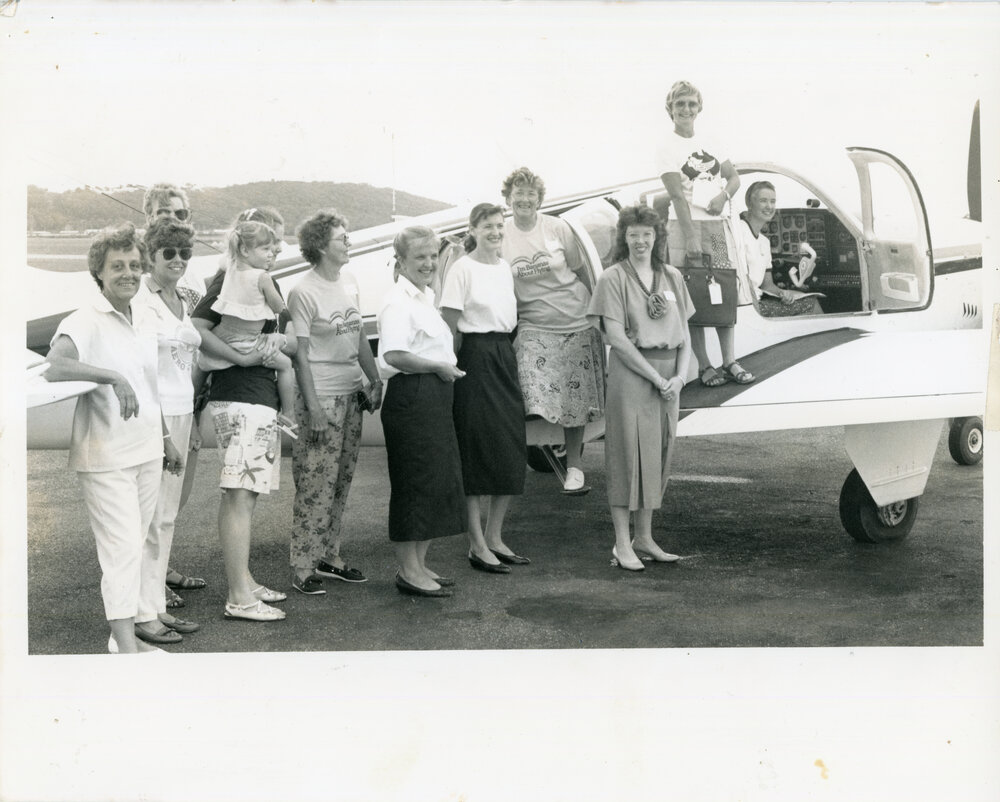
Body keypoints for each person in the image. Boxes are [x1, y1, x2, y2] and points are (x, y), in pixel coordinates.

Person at [44, 223, 184, 652]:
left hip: (144, 449)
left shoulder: (142, 317)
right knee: (121, 549)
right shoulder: (85, 319)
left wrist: (165, 438)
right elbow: (56, 365)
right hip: (105, 455)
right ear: (99, 273)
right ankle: (127, 647)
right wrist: (110, 376)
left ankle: (121, 638)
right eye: (117, 266)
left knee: (137, 544)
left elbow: (150, 385)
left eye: (134, 265)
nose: (128, 272)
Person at [191, 230, 298, 621]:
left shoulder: (240, 278)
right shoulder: (229, 278)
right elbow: (197, 331)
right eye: (269, 243)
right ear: (244, 248)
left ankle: (245, 581)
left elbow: (287, 339)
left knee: (244, 496)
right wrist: (247, 358)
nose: (278, 249)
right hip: (242, 400)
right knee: (238, 496)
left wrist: (276, 344)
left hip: (255, 401)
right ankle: (239, 597)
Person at [587, 205, 693, 571]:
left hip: (668, 380)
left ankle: (644, 537)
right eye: (633, 234)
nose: (640, 240)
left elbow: (686, 337)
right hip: (634, 375)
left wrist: (678, 379)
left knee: (657, 455)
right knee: (626, 456)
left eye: (647, 233)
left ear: (657, 237)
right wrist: (657, 378)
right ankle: (621, 543)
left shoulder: (673, 277)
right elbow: (616, 338)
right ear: (623, 238)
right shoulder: (612, 278)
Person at [286, 209, 382, 594]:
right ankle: (303, 565)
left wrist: (374, 379)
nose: (349, 242)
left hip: (350, 393)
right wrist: (313, 409)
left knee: (340, 479)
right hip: (321, 396)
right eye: (342, 238)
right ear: (320, 246)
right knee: (315, 482)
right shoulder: (302, 291)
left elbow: (358, 337)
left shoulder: (351, 283)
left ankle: (330, 556)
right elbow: (301, 356)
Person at [500, 167, 605, 494]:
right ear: (508, 197)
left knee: (574, 399)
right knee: (530, 391)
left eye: (531, 194)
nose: (525, 199)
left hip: (576, 319)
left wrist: (599, 316)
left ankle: (574, 467)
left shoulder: (558, 228)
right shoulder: (500, 234)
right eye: (518, 193)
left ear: (539, 199)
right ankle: (524, 454)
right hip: (533, 324)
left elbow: (581, 273)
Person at [377, 226, 467, 597]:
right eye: (420, 258)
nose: (429, 263)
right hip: (412, 396)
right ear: (401, 262)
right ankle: (408, 571)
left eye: (433, 256)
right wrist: (438, 368)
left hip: (433, 395)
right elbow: (395, 355)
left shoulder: (426, 298)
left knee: (434, 482)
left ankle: (419, 565)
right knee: (414, 485)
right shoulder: (398, 301)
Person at [440, 202, 527, 573]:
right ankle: (476, 544)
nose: (494, 231)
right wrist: (451, 369)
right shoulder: (462, 268)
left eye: (498, 225)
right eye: (487, 226)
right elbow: (450, 325)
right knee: (476, 450)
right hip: (472, 359)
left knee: (509, 445)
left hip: (503, 355)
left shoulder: (505, 268)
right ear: (472, 229)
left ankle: (495, 537)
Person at [129, 218, 204, 645]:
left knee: (167, 518)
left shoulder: (181, 299)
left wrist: (190, 423)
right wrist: (163, 435)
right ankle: (142, 613)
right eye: (169, 253)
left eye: (184, 253)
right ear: (152, 255)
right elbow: (143, 371)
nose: (178, 260)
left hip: (181, 413)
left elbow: (186, 368)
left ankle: (156, 604)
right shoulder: (142, 299)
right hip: (154, 419)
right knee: (149, 519)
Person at [657, 80, 751, 388]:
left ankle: (730, 360)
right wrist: (691, 237)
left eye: (691, 104)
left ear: (699, 108)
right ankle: (705, 365)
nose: (686, 109)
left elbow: (734, 177)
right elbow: (677, 196)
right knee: (693, 295)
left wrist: (723, 196)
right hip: (684, 227)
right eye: (680, 104)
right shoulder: (666, 147)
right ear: (670, 109)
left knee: (722, 289)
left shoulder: (712, 139)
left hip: (715, 225)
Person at [143, 182, 206, 606]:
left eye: (181, 214)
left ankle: (161, 570)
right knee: (151, 504)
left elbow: (199, 344)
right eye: (165, 212)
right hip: (156, 410)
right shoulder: (140, 268)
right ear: (148, 215)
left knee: (172, 502)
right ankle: (148, 587)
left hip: (187, 403)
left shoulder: (190, 275)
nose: (173, 219)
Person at [198, 220, 298, 438]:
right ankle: (289, 414)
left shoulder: (230, 269)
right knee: (285, 364)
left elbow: (224, 259)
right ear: (244, 249)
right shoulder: (263, 277)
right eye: (266, 249)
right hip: (248, 343)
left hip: (225, 336)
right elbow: (278, 307)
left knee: (201, 359)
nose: (273, 253)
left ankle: (194, 400)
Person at [735, 181, 824, 317]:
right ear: (749, 204)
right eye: (763, 201)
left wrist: (784, 294)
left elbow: (767, 285)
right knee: (812, 305)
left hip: (758, 301)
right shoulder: (739, 231)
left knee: (807, 299)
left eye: (772, 201)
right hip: (748, 306)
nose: (769, 206)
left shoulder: (764, 242)